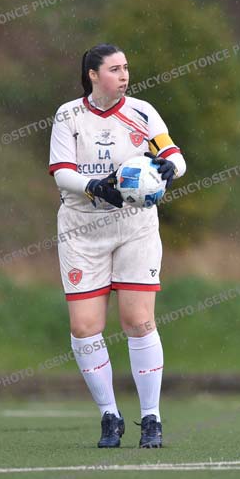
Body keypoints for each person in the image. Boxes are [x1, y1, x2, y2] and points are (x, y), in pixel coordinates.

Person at [47, 43, 187, 448]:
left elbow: (175, 157)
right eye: (114, 69)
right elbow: (62, 173)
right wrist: (94, 186)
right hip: (82, 230)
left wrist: (169, 167)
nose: (124, 75)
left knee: (138, 321)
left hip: (134, 227)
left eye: (126, 68)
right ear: (92, 75)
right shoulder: (68, 115)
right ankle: (110, 415)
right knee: (84, 327)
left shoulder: (143, 111)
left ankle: (151, 418)